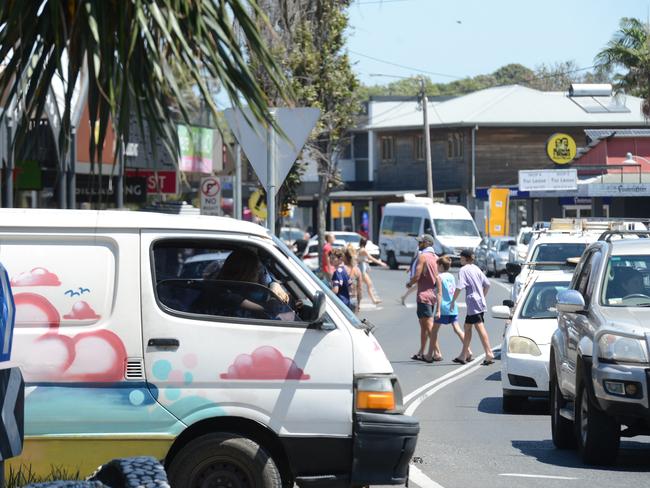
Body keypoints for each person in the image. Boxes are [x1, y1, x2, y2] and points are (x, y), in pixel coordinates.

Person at [450, 249, 494, 365]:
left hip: (472, 302)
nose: (460, 259)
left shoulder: (463, 270)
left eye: (461, 258)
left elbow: (459, 287)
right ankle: (464, 354)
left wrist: (453, 301)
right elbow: (487, 284)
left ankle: (489, 353)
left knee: (479, 326)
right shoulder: (476, 268)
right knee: (467, 327)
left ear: (465, 258)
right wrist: (482, 296)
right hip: (478, 301)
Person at [406, 234, 442, 363]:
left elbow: (417, 275)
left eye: (420, 242)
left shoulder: (423, 257)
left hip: (423, 295)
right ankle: (421, 351)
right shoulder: (436, 257)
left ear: (426, 243)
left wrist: (410, 283)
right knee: (423, 325)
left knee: (428, 324)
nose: (418, 244)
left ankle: (437, 352)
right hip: (432, 295)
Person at [433, 255, 472, 360]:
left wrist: (438, 310)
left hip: (444, 307)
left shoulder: (439, 277)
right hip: (452, 306)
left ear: (440, 265)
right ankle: (468, 350)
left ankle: (435, 353)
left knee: (433, 331)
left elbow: (439, 294)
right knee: (458, 330)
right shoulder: (451, 276)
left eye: (437, 265)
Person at [357, 237, 387, 304]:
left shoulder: (359, 249)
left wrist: (365, 260)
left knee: (365, 285)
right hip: (361, 270)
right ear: (365, 243)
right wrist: (380, 263)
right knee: (367, 285)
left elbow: (359, 259)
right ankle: (367, 300)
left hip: (361, 269)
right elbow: (371, 258)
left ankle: (373, 300)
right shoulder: (363, 250)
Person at [344, 245, 363, 313]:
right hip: (353, 299)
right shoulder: (357, 270)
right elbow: (360, 289)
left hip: (342, 300)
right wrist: (359, 303)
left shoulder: (341, 269)